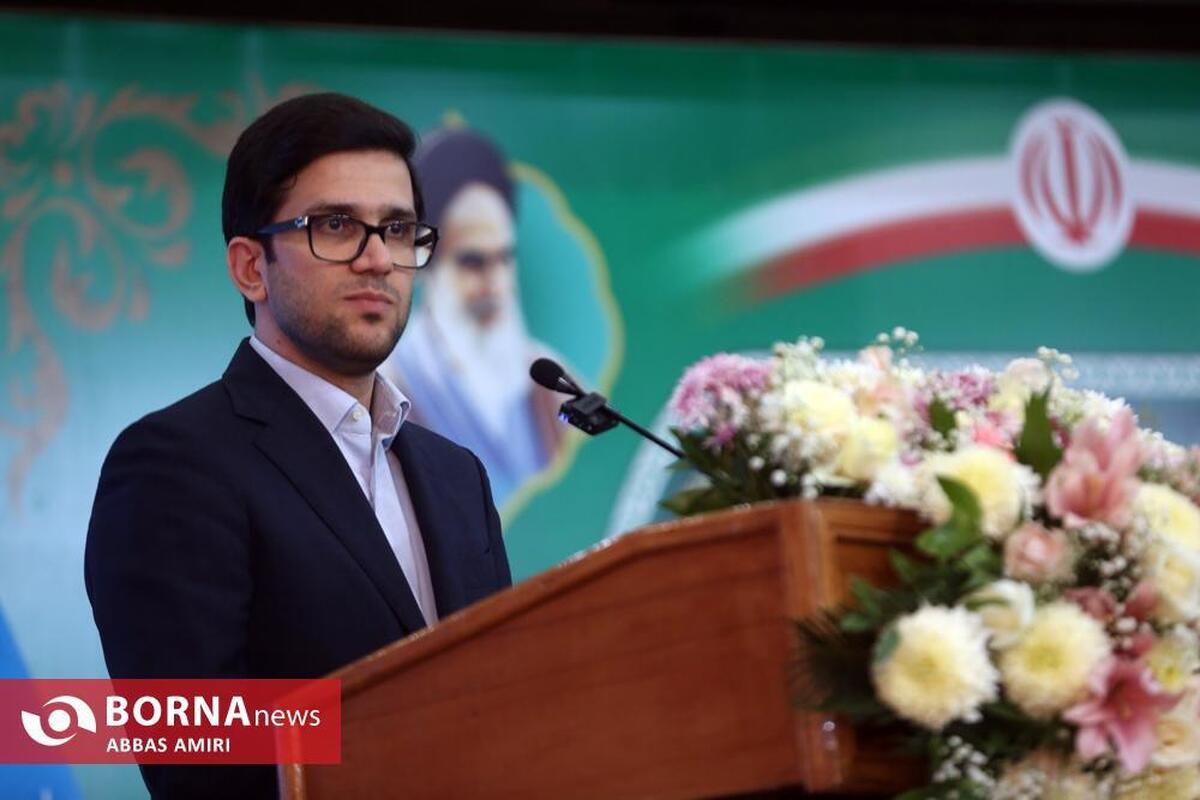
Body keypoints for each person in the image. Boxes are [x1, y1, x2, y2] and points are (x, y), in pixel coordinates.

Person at [84, 93, 512, 800]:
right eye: (336, 225)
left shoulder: (456, 475)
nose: (377, 259)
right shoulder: (174, 464)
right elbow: (198, 754)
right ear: (251, 267)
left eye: (398, 229)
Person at [381, 128, 564, 507]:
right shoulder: (389, 391)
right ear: (426, 264)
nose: (496, 285)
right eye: (473, 262)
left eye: (504, 259)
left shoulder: (548, 382)